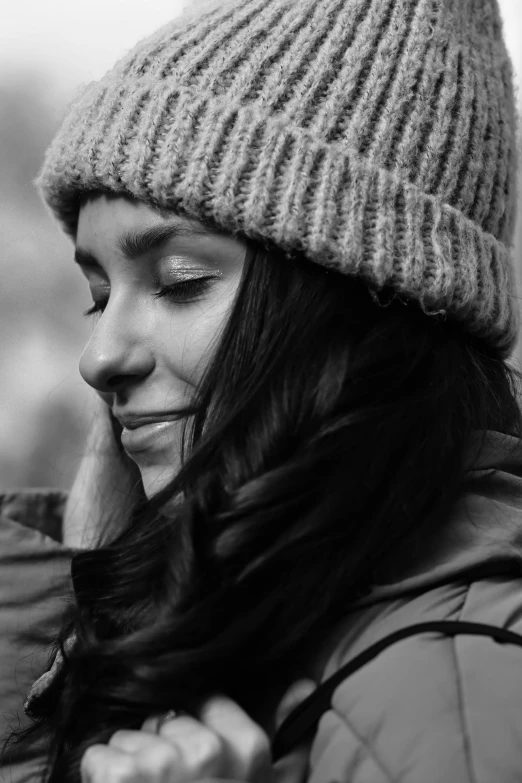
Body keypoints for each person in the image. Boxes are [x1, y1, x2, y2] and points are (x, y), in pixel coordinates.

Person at [2, 0, 522, 780]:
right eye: (99, 295)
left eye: (179, 283)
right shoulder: (188, 614)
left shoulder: (455, 691)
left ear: (356, 304)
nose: (99, 356)